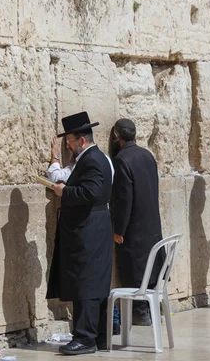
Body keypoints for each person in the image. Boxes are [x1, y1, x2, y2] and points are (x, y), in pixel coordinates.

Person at [46, 112, 113, 355]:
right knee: (92, 282)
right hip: (92, 227)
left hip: (88, 229)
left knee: (86, 282)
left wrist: (65, 192)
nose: (68, 146)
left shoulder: (93, 160)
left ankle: (85, 338)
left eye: (70, 141)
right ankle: (99, 336)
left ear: (81, 140)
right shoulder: (94, 158)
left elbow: (91, 193)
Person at [109, 118, 165, 326]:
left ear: (116, 136)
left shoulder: (122, 160)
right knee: (149, 269)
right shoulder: (147, 155)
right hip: (151, 224)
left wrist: (119, 228)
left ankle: (140, 312)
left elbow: (124, 198)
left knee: (134, 269)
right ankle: (148, 309)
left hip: (134, 228)